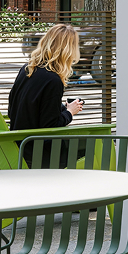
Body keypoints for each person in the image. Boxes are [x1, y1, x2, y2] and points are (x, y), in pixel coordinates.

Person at [9, 23, 85, 162]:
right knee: (90, 146)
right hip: (39, 152)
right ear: (68, 51)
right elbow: (50, 126)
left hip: (19, 145)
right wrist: (70, 112)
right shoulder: (53, 80)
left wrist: (60, 107)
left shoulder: (27, 69)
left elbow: (18, 108)